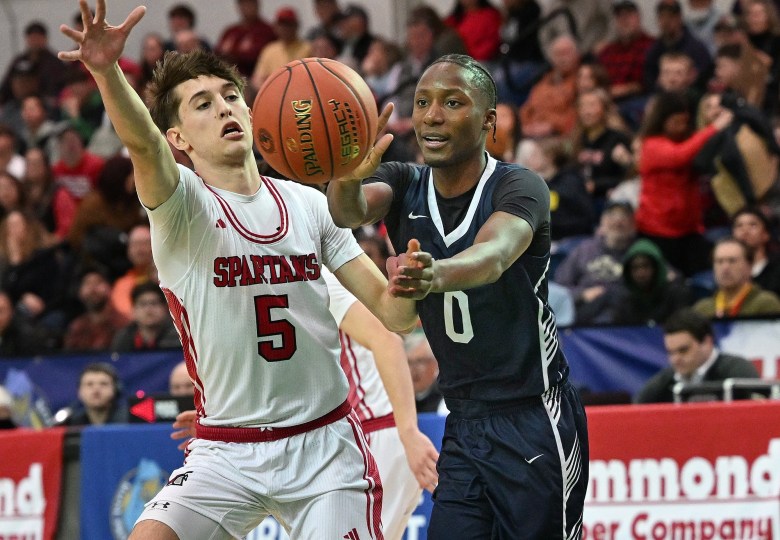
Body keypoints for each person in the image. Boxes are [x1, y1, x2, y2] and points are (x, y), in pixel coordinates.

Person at [57, 2, 424, 538]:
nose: (225, 108)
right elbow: (142, 142)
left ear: (252, 113)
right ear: (178, 138)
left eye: (231, 97)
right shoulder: (181, 206)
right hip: (225, 450)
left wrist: (409, 282)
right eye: (202, 104)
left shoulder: (310, 205)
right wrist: (108, 72)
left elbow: (395, 317)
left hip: (325, 446)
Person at [327, 53, 588, 539]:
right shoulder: (404, 182)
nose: (432, 114)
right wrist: (345, 172)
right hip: (464, 421)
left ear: (488, 121)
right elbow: (349, 211)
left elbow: (492, 256)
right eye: (423, 101)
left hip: (533, 414)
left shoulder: (519, 185)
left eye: (452, 102)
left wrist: (433, 275)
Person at [635, 308, 761, 403]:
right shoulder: (662, 385)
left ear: (707, 342)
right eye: (670, 352)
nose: (675, 359)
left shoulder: (738, 372)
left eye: (683, 350)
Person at [693, 236, 780, 318]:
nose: (725, 268)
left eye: (732, 261)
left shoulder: (766, 304)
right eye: (719, 261)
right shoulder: (702, 309)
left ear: (749, 266)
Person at [63, 266, 128, 351]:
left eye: (98, 282)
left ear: (109, 288)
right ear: (80, 292)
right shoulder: (77, 328)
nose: (93, 289)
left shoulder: (123, 324)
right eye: (87, 283)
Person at [110, 282, 181, 352]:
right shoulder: (123, 339)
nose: (148, 310)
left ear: (165, 308)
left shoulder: (178, 338)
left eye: (154, 303)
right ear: (134, 310)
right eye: (142, 304)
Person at [64, 361, 129, 426]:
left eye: (103, 384)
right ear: (79, 391)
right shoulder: (71, 424)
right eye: (89, 384)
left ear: (116, 390)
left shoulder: (129, 422)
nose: (96, 389)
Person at [405, 329, 445, 414]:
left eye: (420, 361)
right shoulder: (401, 399)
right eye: (409, 362)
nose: (414, 369)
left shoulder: (445, 400)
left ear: (435, 364)